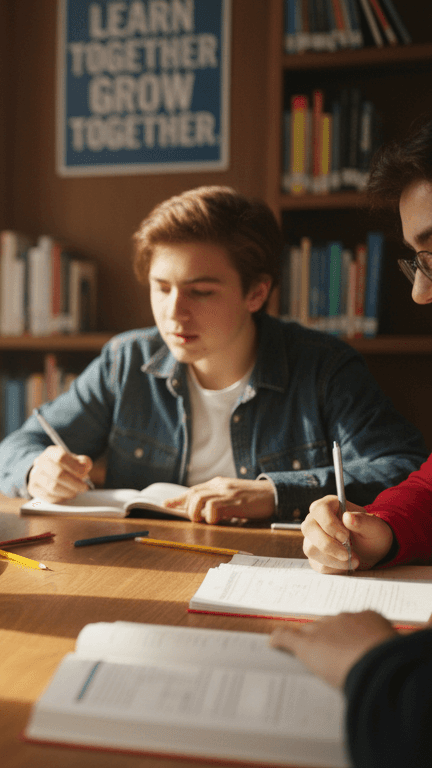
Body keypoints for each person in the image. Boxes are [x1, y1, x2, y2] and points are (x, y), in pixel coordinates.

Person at [0, 185, 425, 524]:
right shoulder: (126, 362)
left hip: (270, 572)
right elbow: (14, 448)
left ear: (256, 292)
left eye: (200, 291)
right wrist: (35, 469)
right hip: (141, 566)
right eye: (162, 288)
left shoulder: (324, 367)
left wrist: (275, 493)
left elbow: (403, 469)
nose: (173, 312)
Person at [271, 120, 432, 768]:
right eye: (418, 261)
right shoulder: (125, 360)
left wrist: (379, 668)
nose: (421, 292)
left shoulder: (321, 363)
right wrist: (382, 527)